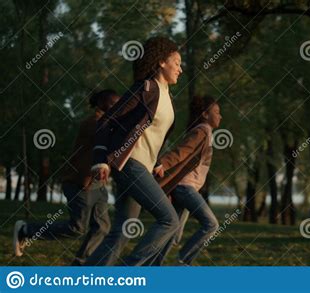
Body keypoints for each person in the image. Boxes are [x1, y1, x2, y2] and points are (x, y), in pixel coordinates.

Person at [85, 36, 183, 266]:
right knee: (169, 220)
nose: (180, 68)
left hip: (143, 169)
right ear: (161, 62)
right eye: (177, 62)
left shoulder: (167, 96)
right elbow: (108, 121)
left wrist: (157, 163)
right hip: (130, 165)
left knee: (122, 230)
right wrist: (101, 160)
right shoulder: (146, 88)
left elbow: (153, 137)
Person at [13, 89, 120, 265]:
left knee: (102, 227)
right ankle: (26, 229)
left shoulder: (107, 122)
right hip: (79, 183)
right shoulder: (93, 123)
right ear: (103, 104)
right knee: (77, 228)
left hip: (97, 185)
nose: (119, 107)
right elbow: (113, 138)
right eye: (115, 104)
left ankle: (80, 264)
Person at [153, 95, 222, 265]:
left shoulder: (205, 131)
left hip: (185, 187)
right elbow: (181, 151)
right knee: (211, 224)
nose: (220, 116)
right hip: (185, 187)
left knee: (173, 233)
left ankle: (153, 266)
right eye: (217, 112)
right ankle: (183, 261)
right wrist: (161, 164)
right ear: (205, 114)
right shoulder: (202, 130)